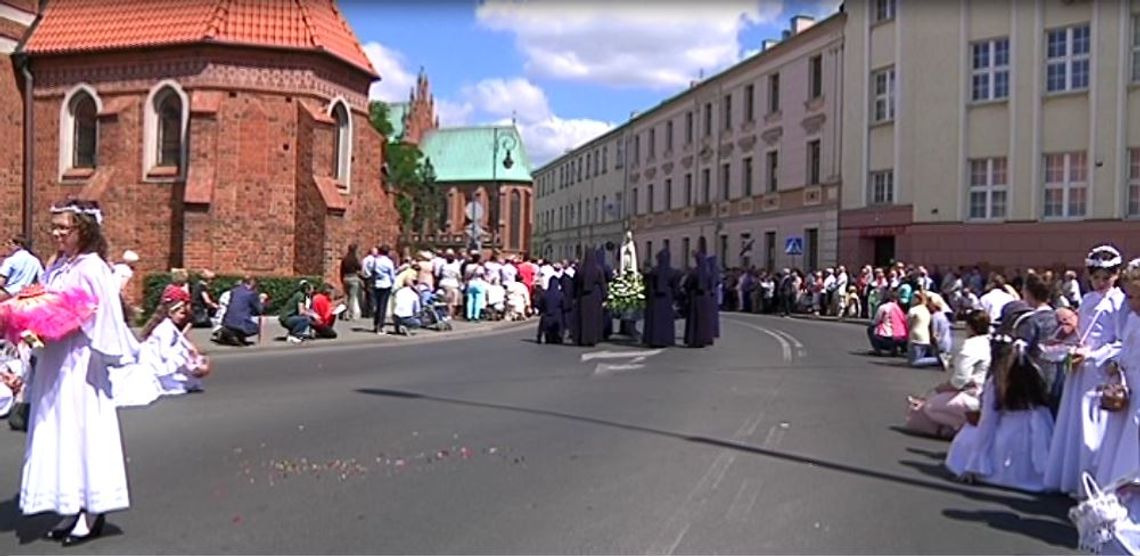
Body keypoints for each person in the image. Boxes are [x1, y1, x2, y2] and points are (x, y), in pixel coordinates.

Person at [21, 199, 138, 545]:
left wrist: (68, 322)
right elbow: (47, 301)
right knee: (58, 430)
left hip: (79, 361)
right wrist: (31, 310)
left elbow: (103, 314)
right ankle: (70, 504)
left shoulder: (92, 267)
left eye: (64, 227)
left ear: (83, 230)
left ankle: (92, 510)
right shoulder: (56, 265)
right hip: (55, 359)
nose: (56, 233)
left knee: (82, 429)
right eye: (53, 227)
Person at [1044, 244, 1127, 495]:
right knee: (1076, 423)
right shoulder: (1088, 299)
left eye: (1106, 277)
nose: (1100, 282)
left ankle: (1092, 482)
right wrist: (1067, 345)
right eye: (1096, 277)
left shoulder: (1119, 302)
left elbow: (1121, 340)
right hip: (1080, 367)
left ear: (1116, 276)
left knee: (1094, 426)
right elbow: (1083, 332)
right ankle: (1072, 478)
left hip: (1100, 369)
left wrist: (1094, 354)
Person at [945, 315, 1056, 492]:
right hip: (1040, 434)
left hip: (1010, 435)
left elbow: (988, 422)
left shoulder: (997, 382)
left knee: (967, 435)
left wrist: (974, 464)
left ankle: (985, 469)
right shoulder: (1034, 373)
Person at [111, 287, 210, 407]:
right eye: (181, 313)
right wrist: (182, 356)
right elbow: (164, 353)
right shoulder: (165, 329)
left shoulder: (169, 326)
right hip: (154, 363)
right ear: (171, 312)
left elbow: (181, 342)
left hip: (155, 360)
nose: (182, 317)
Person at [1092, 258, 1140, 487]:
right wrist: (1116, 362)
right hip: (1127, 389)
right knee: (1119, 443)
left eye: (1133, 297)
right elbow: (1127, 348)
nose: (1129, 303)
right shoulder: (1132, 319)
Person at [906, 311, 992, 438]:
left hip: (973, 394)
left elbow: (960, 380)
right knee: (942, 400)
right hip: (987, 393)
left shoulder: (971, 346)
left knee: (930, 406)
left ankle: (965, 427)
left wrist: (938, 389)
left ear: (969, 326)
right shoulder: (990, 343)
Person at [216, 275, 268, 346]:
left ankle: (230, 333)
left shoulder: (234, 291)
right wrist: (262, 300)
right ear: (253, 283)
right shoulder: (252, 294)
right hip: (241, 323)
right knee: (255, 328)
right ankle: (237, 334)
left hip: (227, 321)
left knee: (239, 316)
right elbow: (259, 310)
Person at [644, 247, 679, 348]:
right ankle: (666, 339)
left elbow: (648, 287)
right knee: (666, 320)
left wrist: (647, 297)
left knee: (654, 320)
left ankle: (653, 339)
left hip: (654, 298)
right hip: (667, 298)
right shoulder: (673, 272)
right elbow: (675, 287)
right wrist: (675, 298)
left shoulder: (654, 272)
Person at [573, 249, 607, 347]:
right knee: (594, 318)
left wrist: (574, 297)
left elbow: (575, 284)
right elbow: (602, 284)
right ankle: (593, 338)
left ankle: (582, 338)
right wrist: (604, 297)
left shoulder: (580, 270)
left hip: (582, 297)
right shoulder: (598, 269)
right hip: (595, 296)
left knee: (583, 318)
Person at [683, 249, 715, 348]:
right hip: (705, 298)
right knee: (704, 319)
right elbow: (711, 285)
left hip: (695, 297)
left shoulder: (694, 272)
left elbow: (687, 285)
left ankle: (693, 339)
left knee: (694, 319)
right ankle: (705, 338)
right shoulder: (708, 273)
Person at [867, 290, 907, 356]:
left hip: (885, 336)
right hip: (900, 337)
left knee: (870, 329)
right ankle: (895, 349)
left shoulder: (883, 307)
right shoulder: (900, 309)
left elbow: (876, 321)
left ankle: (877, 350)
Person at [535, 276, 565, 344]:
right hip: (557, 316)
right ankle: (558, 338)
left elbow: (540, 305)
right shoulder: (560, 294)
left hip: (547, 316)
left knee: (545, 328)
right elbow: (564, 305)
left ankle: (546, 338)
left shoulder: (545, 294)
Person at [339, 244, 364, 321]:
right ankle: (350, 314)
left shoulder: (345, 259)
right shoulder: (354, 259)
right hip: (353, 278)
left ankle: (344, 313)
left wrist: (342, 279)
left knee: (346, 297)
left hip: (346, 278)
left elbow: (341, 270)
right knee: (352, 297)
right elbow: (359, 267)